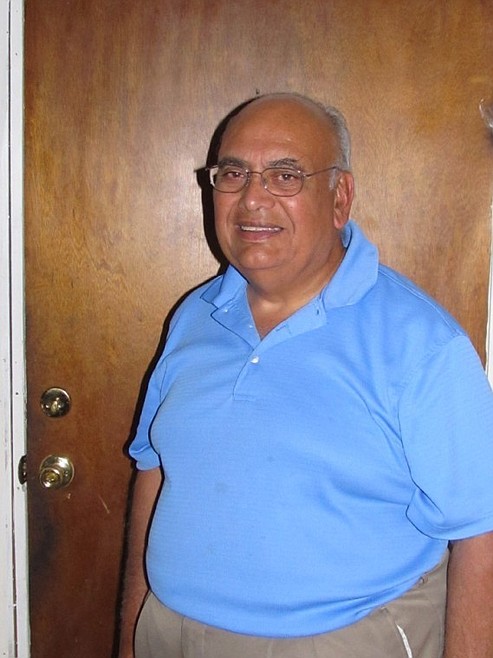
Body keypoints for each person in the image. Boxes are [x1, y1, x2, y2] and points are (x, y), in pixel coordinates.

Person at [119, 92, 493, 658]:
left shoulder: (421, 342)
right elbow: (154, 470)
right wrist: (131, 635)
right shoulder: (194, 316)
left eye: (285, 176)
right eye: (233, 174)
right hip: (169, 633)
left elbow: (480, 530)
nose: (252, 199)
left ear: (339, 198)